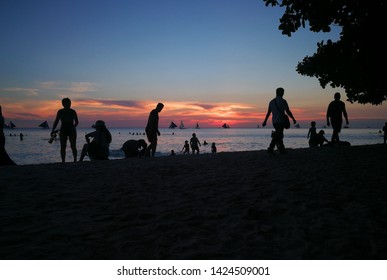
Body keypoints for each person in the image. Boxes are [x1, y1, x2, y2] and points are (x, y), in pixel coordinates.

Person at [262, 87, 296, 154]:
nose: (283, 94)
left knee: (279, 135)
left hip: (274, 122)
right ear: (281, 93)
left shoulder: (271, 102)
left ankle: (279, 149)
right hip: (281, 121)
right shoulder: (283, 101)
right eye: (283, 92)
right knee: (279, 135)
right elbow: (288, 111)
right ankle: (272, 149)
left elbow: (268, 113)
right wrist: (293, 118)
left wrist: (265, 121)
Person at [51, 98, 79, 162]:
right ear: (63, 104)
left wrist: (74, 127)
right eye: (68, 103)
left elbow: (77, 122)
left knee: (73, 146)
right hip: (63, 130)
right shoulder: (60, 111)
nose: (69, 104)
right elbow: (56, 121)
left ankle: (75, 160)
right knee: (63, 147)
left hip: (72, 130)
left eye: (70, 103)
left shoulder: (73, 111)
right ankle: (63, 161)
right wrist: (53, 130)